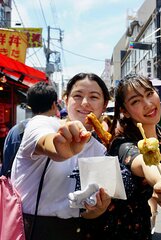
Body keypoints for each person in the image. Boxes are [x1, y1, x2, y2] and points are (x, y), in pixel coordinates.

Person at [11, 73, 112, 239]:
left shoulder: (99, 150)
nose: (85, 103)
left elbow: (86, 210)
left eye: (94, 97)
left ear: (104, 105)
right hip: (29, 228)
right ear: (66, 100)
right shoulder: (43, 123)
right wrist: (60, 150)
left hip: (73, 230)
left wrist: (97, 210)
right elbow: (46, 142)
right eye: (77, 96)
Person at [92, 74, 161, 239]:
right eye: (135, 101)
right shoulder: (122, 144)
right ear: (124, 111)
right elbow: (146, 163)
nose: (147, 104)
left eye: (149, 93)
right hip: (115, 229)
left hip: (144, 225)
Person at [1, 82, 58, 176]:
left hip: (12, 186)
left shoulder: (15, 129)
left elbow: (6, 162)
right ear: (53, 105)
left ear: (30, 105)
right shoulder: (54, 133)